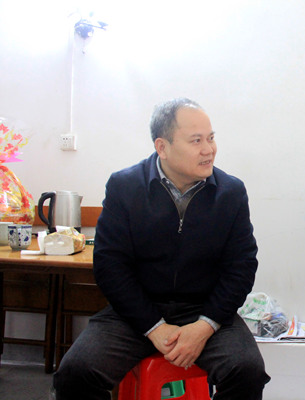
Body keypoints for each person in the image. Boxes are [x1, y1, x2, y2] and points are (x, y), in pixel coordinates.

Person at [53, 98, 270, 400]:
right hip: (137, 313)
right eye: (196, 140)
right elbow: (110, 266)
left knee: (247, 372)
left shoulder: (230, 192)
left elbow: (241, 268)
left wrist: (205, 326)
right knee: (75, 373)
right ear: (162, 147)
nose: (209, 150)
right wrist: (154, 327)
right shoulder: (125, 187)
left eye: (211, 138)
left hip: (205, 311)